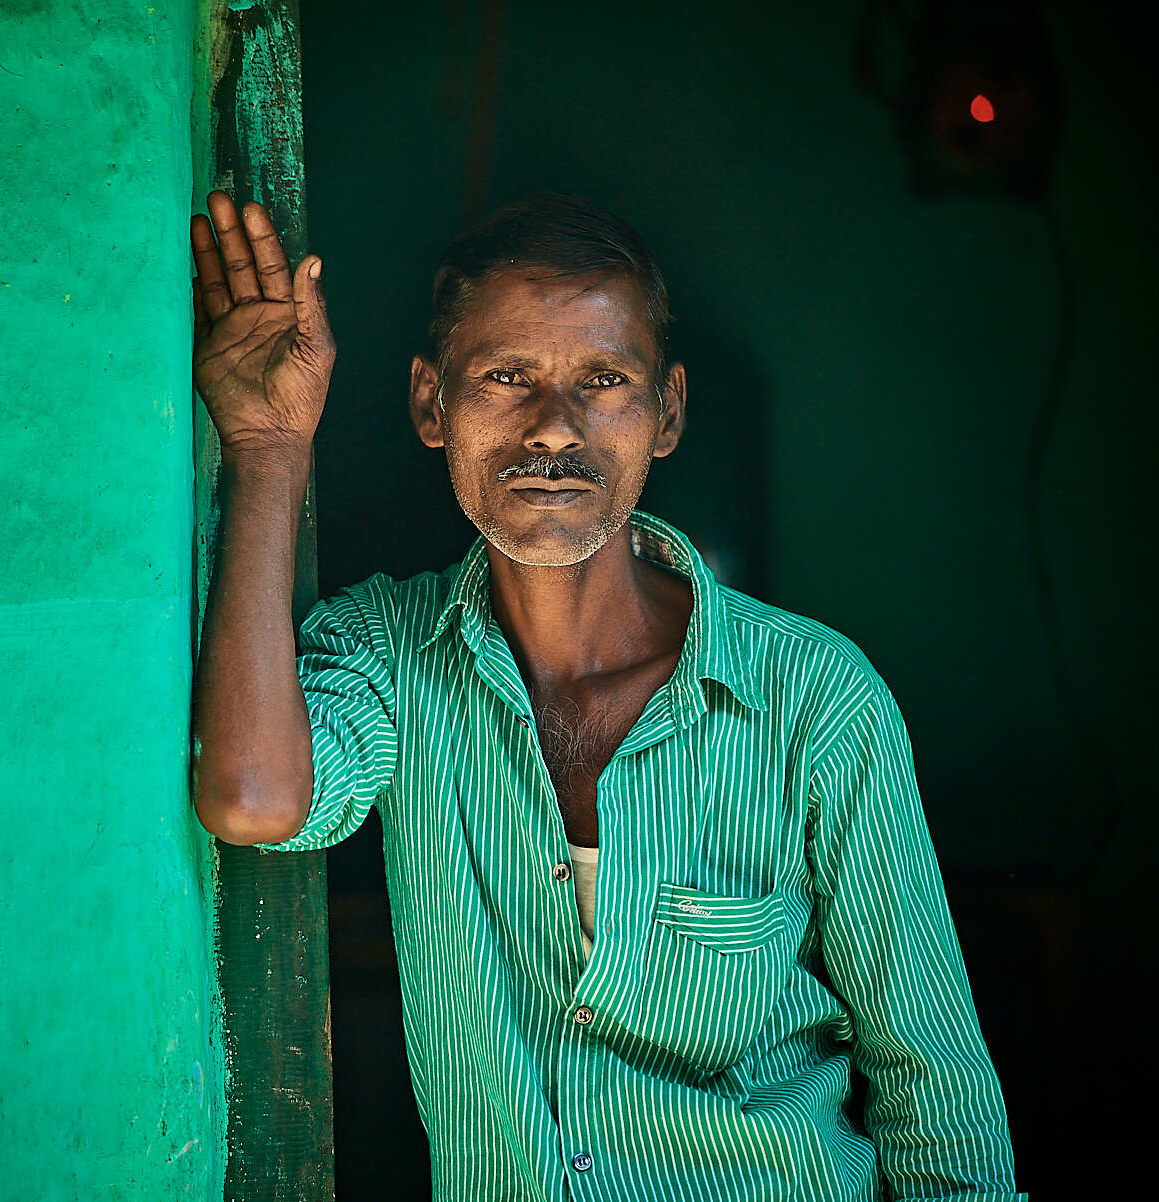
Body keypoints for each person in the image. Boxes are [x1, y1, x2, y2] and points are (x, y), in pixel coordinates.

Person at [188, 189, 1021, 1201]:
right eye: (506, 375)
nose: (553, 426)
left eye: (602, 378)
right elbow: (251, 796)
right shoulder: (392, 654)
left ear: (666, 411)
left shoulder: (814, 701)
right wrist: (269, 446)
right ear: (429, 402)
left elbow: (930, 1079)